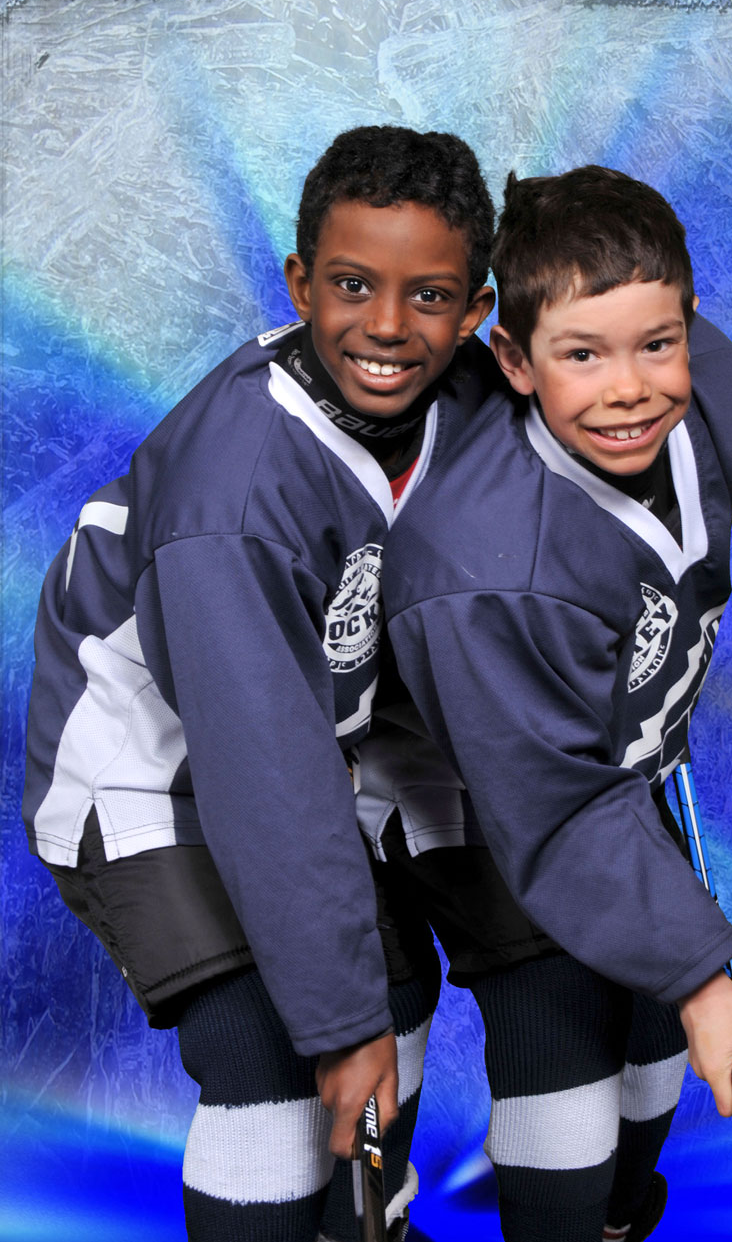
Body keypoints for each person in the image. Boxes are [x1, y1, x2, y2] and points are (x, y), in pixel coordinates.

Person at [21, 125, 497, 1242]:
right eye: (350, 284)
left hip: (303, 744)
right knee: (274, 1055)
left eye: (428, 294)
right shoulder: (235, 494)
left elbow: (635, 346)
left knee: (393, 991)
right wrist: (339, 1025)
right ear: (298, 282)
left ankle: (360, 1225)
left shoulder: (467, 392)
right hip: (150, 775)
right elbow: (262, 778)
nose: (387, 325)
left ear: (477, 311)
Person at [371, 165, 732, 1242]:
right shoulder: (489, 568)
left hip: (586, 757)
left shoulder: (717, 402)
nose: (632, 386)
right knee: (568, 1073)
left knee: (651, 1061)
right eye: (581, 355)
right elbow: (551, 808)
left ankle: (618, 1217)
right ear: (513, 358)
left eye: (658, 342)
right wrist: (703, 974)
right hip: (456, 774)